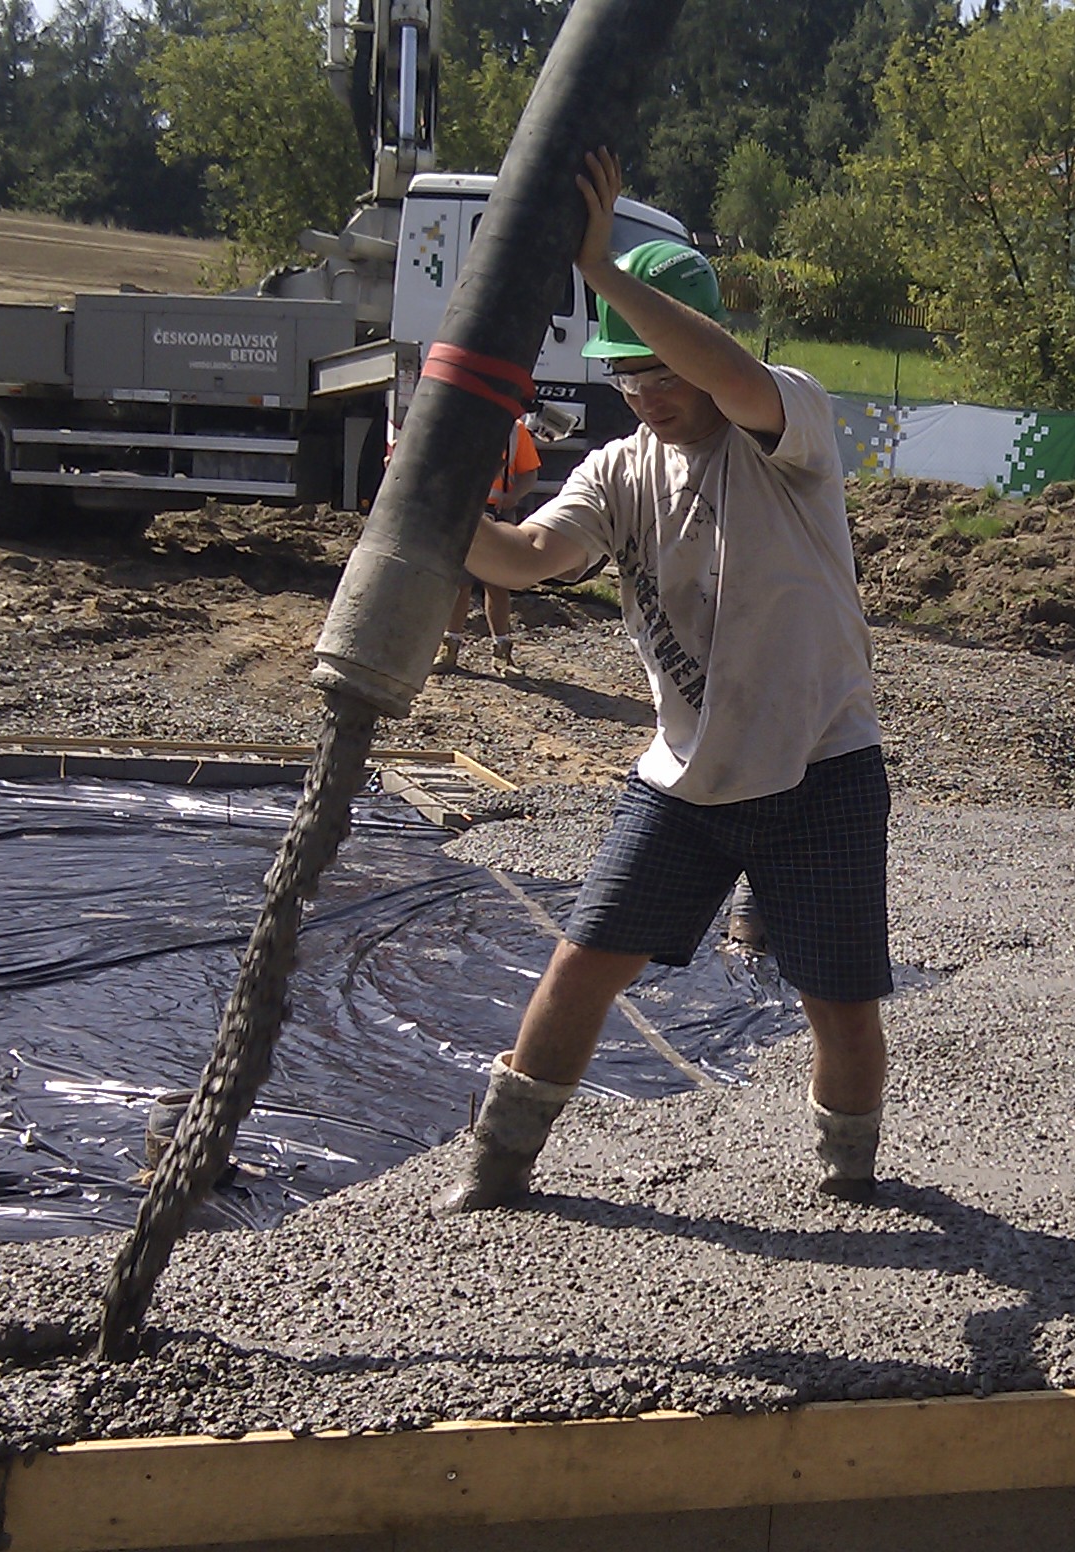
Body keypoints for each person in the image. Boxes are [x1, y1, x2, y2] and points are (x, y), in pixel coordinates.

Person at [432, 147, 889, 1214]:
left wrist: (605, 269)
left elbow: (730, 376)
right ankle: (497, 1166)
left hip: (820, 766)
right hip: (681, 782)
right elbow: (534, 558)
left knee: (842, 1001)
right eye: (626, 372)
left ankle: (852, 1182)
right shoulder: (619, 467)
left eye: (661, 370)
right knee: (583, 962)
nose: (648, 394)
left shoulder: (789, 428)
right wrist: (439, 518)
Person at [434, 414, 544, 674]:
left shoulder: (516, 431)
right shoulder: (463, 422)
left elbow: (529, 473)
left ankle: (502, 654)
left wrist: (513, 496)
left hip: (498, 514)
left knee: (497, 584)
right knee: (459, 583)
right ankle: (449, 648)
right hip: (467, 513)